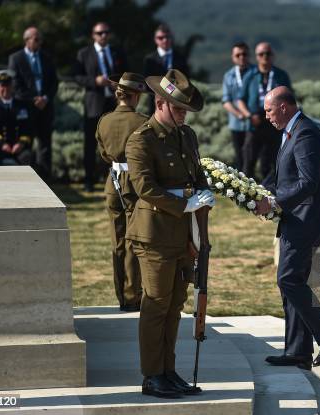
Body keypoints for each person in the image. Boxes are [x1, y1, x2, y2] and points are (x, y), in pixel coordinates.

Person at [125, 69, 215, 398]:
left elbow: (197, 173)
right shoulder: (142, 138)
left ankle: (168, 369)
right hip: (155, 234)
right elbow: (144, 187)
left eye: (185, 111)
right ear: (159, 103)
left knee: (175, 304)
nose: (182, 116)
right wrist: (184, 204)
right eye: (177, 109)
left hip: (182, 235)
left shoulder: (186, 135)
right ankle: (152, 375)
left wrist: (204, 198)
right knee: (156, 304)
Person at [255, 86, 320, 370]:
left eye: (269, 110)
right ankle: (298, 350)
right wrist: (258, 192)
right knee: (291, 283)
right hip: (296, 216)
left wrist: (275, 202)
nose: (266, 116)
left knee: (289, 279)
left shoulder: (305, 132)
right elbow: (285, 176)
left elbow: (308, 182)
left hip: (307, 217)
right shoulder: (291, 132)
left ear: (283, 107)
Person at [95, 73, 149, 312]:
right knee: (133, 240)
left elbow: (104, 154)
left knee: (117, 241)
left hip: (112, 182)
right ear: (135, 95)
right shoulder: (142, 121)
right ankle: (132, 294)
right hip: (134, 183)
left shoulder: (104, 120)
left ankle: (122, 295)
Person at [74, 22, 128, 192]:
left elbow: (126, 73)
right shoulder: (84, 54)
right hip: (94, 104)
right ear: (93, 35)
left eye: (106, 32)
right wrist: (94, 81)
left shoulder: (117, 52)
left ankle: (115, 180)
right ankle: (89, 180)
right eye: (100, 33)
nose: (103, 35)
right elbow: (77, 76)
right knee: (91, 143)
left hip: (113, 103)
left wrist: (118, 84)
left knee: (115, 143)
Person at [8, 26, 58, 181]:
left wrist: (46, 98)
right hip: (26, 109)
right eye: (36, 39)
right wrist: (34, 99)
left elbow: (54, 82)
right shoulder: (16, 58)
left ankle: (46, 180)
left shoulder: (47, 58)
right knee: (26, 144)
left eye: (40, 39)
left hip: (45, 107)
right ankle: (28, 180)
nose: (39, 42)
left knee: (45, 145)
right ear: (27, 40)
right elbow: (15, 85)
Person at [238, 42, 292, 180]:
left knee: (270, 163)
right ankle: (244, 196)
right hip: (255, 122)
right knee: (248, 161)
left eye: (268, 53)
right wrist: (249, 115)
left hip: (274, 124)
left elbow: (289, 98)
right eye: (261, 54)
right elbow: (240, 100)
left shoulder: (281, 75)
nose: (265, 57)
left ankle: (270, 196)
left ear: (273, 55)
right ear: (256, 57)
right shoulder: (250, 75)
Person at [0, 69, 33, 166]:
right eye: (2, 86)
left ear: (12, 86)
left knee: (27, 157)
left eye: (8, 85)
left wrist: (21, 143)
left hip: (18, 146)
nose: (6, 89)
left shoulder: (22, 106)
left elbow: (28, 127)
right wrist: (2, 144)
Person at [221, 41, 256, 169]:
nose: (242, 57)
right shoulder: (228, 76)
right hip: (236, 123)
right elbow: (226, 100)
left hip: (254, 124)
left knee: (251, 158)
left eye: (244, 54)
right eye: (238, 55)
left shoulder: (256, 73)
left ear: (249, 55)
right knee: (239, 158)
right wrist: (239, 114)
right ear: (233, 57)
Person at [143, 23, 189, 115]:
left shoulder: (180, 57)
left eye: (167, 37)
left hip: (176, 103)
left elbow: (186, 80)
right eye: (161, 38)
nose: (165, 40)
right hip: (156, 105)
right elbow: (147, 82)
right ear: (155, 39)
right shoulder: (150, 59)